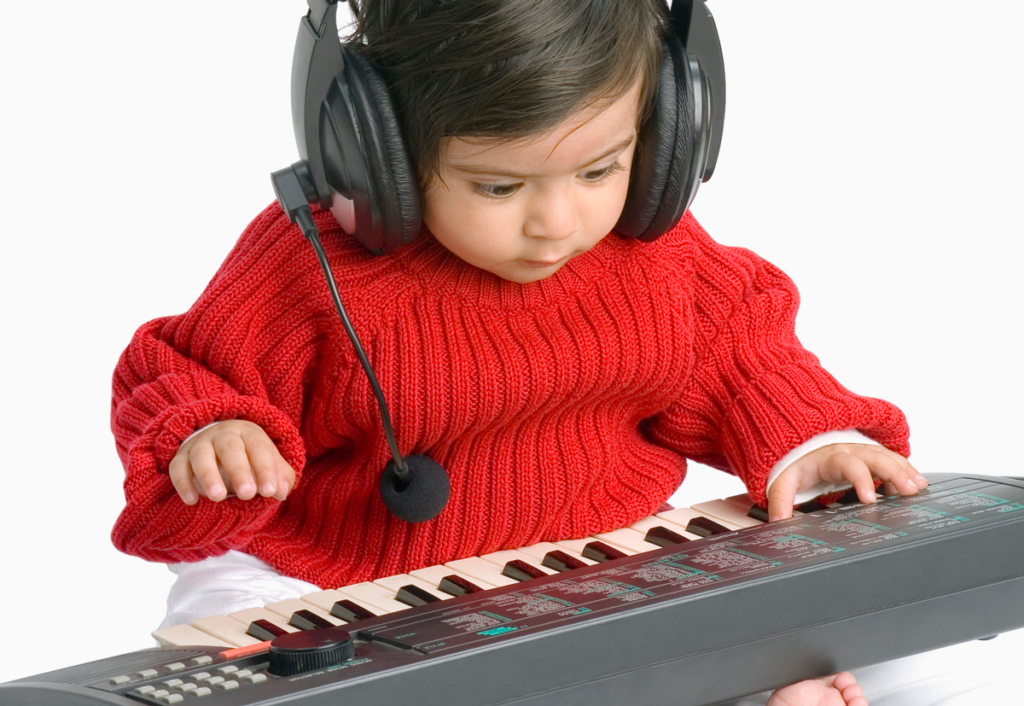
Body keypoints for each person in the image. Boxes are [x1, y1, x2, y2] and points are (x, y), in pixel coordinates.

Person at [110, 1, 926, 704]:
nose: (558, 224)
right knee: (222, 638)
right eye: (499, 187)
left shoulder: (654, 252)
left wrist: (810, 443)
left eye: (600, 169)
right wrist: (211, 432)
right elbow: (184, 371)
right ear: (373, 154)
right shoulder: (314, 268)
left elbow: (739, 350)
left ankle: (732, 681)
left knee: (789, 622)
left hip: (596, 563)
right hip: (332, 582)